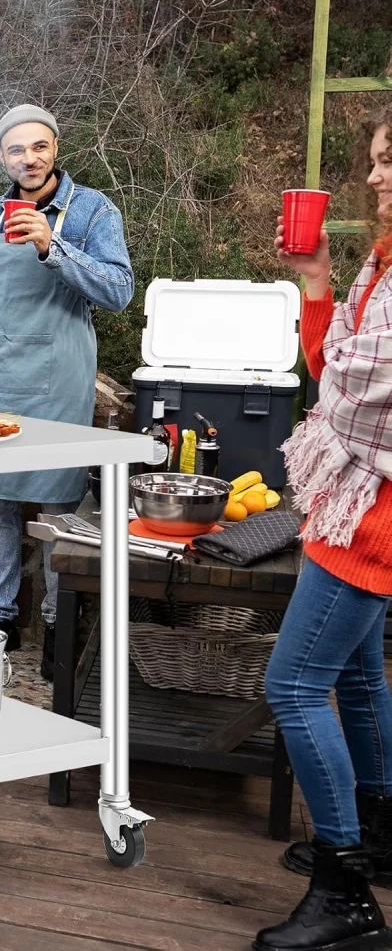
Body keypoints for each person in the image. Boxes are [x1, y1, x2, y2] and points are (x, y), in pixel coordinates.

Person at [0, 104, 135, 677]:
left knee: (60, 505)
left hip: (59, 380)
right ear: (2, 157)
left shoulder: (92, 211)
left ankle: (58, 621)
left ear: (56, 149)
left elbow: (119, 289)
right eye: (16, 150)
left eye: (39, 147)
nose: (29, 158)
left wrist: (51, 246)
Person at [255, 111, 392, 950]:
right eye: (377, 161)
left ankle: (345, 891)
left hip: (368, 510)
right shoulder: (381, 264)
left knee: (294, 685)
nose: (375, 178)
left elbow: (355, 387)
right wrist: (318, 278)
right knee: (359, 679)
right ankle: (377, 833)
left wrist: (339, 368)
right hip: (361, 496)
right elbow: (330, 368)